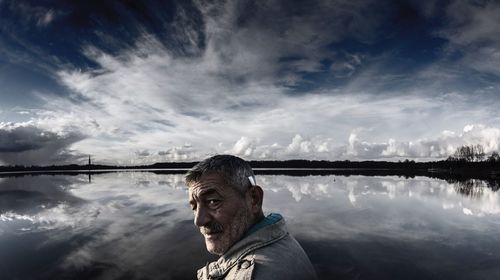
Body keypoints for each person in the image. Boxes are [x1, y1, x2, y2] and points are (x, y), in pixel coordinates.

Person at [185, 154, 317, 280]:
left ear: (254, 199)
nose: (199, 220)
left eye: (213, 201)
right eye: (194, 207)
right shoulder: (280, 240)